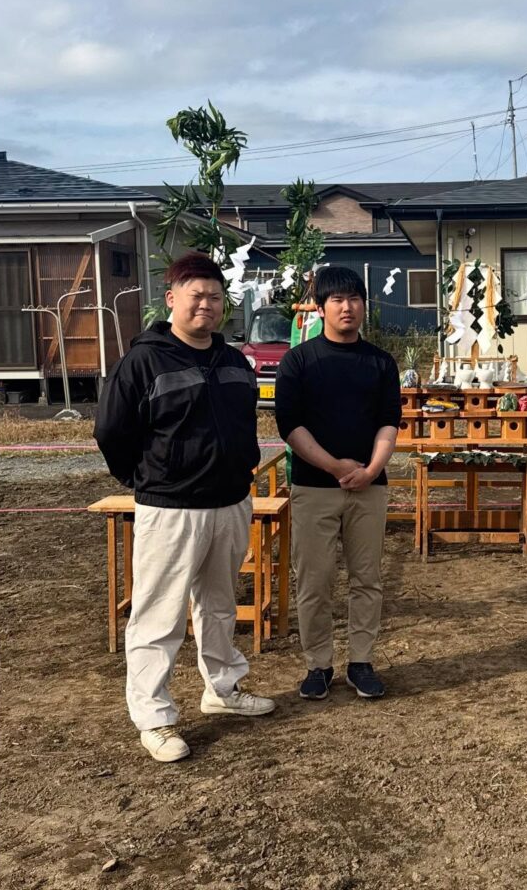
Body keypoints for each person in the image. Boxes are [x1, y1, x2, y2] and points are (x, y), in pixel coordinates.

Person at [95, 252, 275, 764]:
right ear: (171, 299)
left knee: (218, 606)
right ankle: (154, 718)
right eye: (195, 295)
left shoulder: (234, 361)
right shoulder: (144, 360)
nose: (206, 305)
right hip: (171, 509)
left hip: (231, 502)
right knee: (158, 615)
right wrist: (144, 477)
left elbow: (243, 426)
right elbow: (111, 431)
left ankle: (223, 689)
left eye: (215, 297)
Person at [274, 266, 401, 701]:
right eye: (337, 300)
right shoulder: (299, 361)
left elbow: (389, 423)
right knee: (315, 580)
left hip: (370, 487)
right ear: (321, 306)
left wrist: (369, 470)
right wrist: (333, 466)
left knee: (367, 578)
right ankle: (318, 664)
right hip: (313, 487)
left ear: (365, 304)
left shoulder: (380, 362)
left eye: (355, 299)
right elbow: (290, 426)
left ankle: (362, 661)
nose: (347, 307)